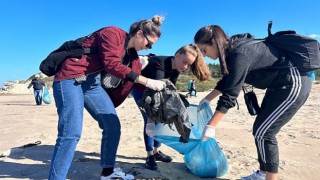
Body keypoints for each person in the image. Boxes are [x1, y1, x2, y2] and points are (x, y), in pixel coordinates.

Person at [48, 15, 167, 180]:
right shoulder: (112, 33)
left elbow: (129, 82)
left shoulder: (132, 56)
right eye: (149, 44)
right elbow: (111, 64)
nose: (149, 48)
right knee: (71, 133)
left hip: (92, 83)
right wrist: (146, 81)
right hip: (70, 78)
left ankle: (108, 172)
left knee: (112, 125)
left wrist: (152, 113)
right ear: (139, 34)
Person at [194, 25, 312, 180]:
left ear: (214, 42)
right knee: (259, 129)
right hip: (278, 86)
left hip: (294, 83)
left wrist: (211, 126)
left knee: (265, 132)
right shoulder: (231, 52)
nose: (204, 55)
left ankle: (270, 177)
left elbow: (230, 94)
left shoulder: (239, 53)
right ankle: (263, 174)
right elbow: (227, 81)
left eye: (204, 50)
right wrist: (207, 99)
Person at [131, 44, 211, 170]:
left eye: (189, 65)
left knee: (163, 119)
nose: (185, 67)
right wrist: (151, 122)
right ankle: (150, 155)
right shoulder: (160, 63)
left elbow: (169, 91)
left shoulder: (176, 69)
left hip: (157, 91)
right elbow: (154, 97)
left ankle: (157, 152)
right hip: (142, 90)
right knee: (150, 121)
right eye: (184, 62)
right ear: (177, 55)